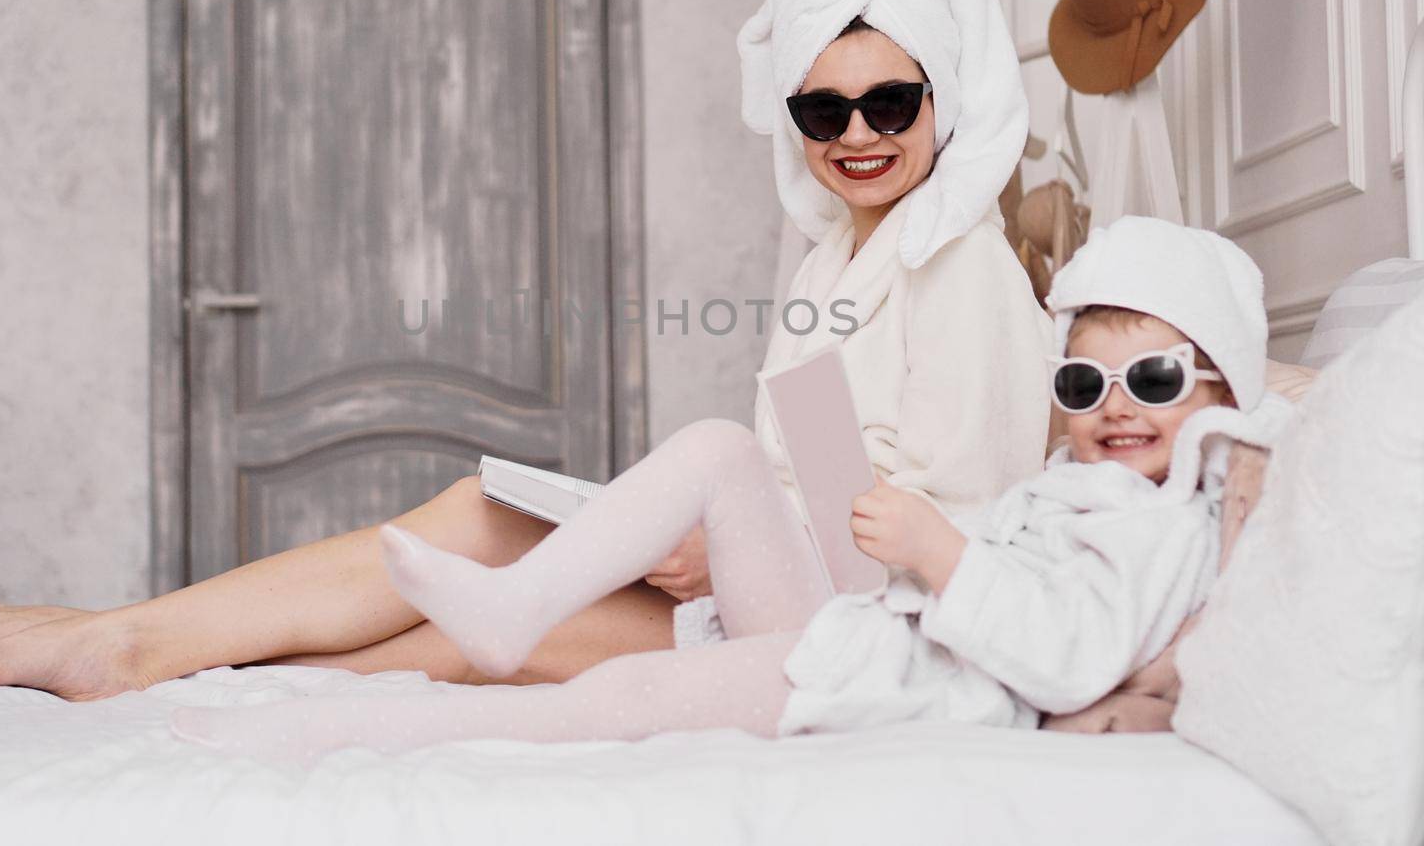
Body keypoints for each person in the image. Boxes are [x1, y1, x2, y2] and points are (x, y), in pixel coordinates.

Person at [0, 0, 1051, 701]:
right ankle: (137, 642)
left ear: (941, 97)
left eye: (890, 103)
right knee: (480, 515)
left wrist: (729, 543)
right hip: (766, 579)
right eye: (822, 111)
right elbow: (818, 470)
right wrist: (712, 537)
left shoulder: (962, 265)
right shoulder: (832, 260)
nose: (857, 136)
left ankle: (140, 658)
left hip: (841, 633)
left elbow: (967, 537)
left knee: (477, 632)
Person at [170, 216, 1293, 760]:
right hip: (869, 614)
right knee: (715, 448)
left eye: (1150, 377)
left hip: (891, 672)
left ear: (1223, 390)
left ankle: (350, 725)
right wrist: (907, 541)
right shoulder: (1083, 483)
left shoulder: (1163, 523)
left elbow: (1070, 654)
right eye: (1083, 378)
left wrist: (938, 549)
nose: (1113, 403)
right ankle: (512, 611)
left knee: (610, 706)